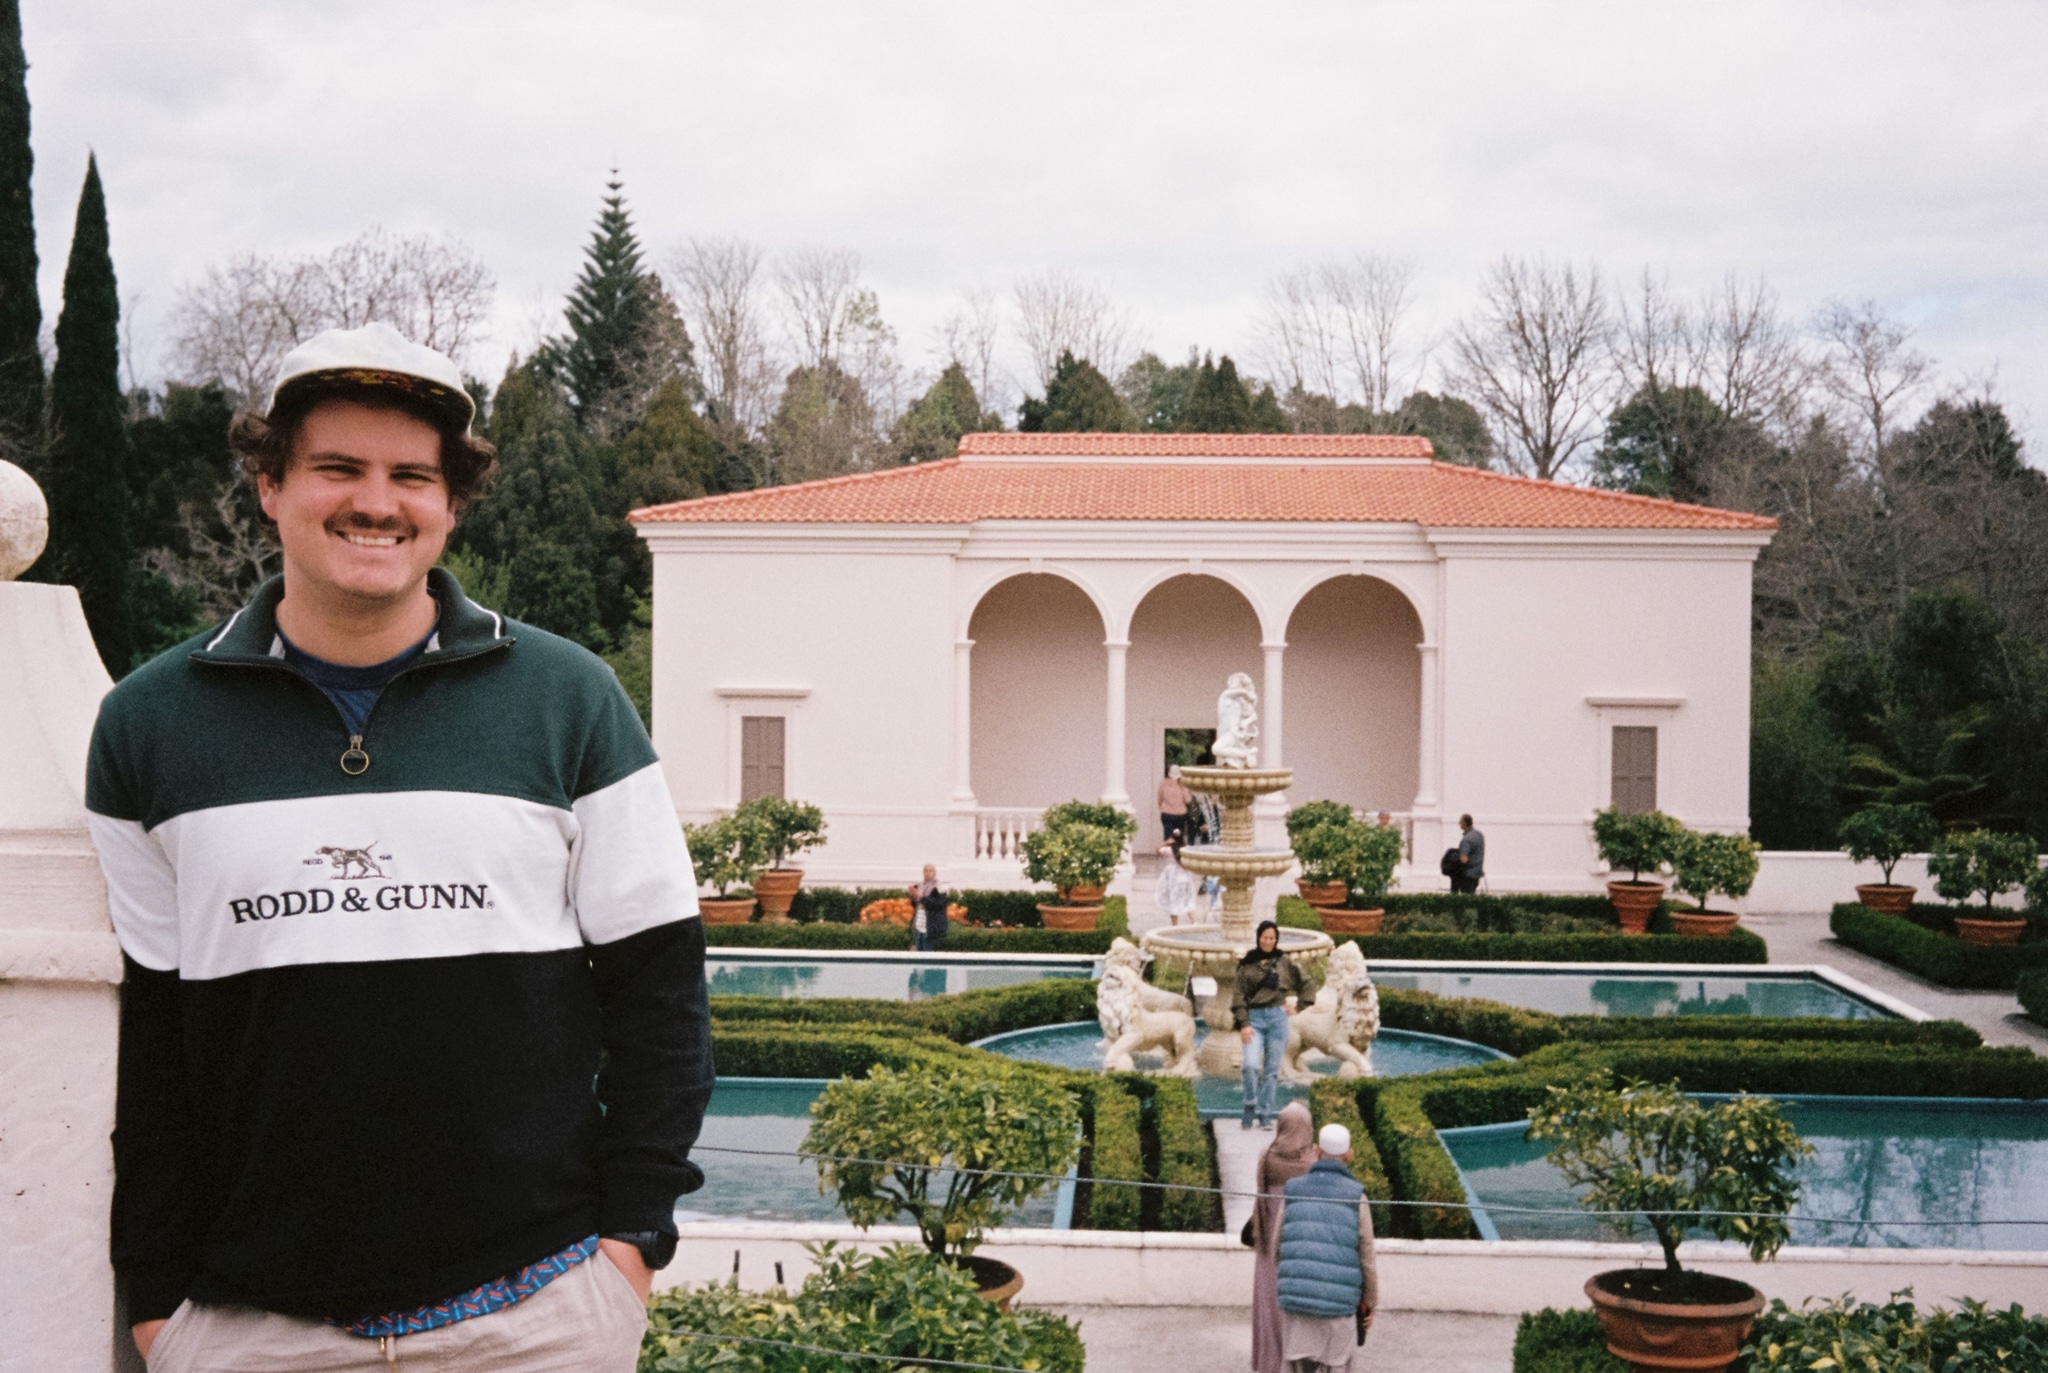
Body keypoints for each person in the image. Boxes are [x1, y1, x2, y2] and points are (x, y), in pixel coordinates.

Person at [85, 324, 713, 1371]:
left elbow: (660, 994)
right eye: (337, 467)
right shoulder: (149, 727)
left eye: (411, 475)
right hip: (251, 1334)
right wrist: (160, 1299)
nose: (376, 501)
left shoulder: (570, 701)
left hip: (538, 1319)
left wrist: (629, 1247)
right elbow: (151, 1042)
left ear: (451, 502)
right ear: (268, 486)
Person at [1275, 1124, 1379, 1373]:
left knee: (1295, 1366)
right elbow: (1367, 1257)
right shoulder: (1356, 1197)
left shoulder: (1292, 1190)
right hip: (1339, 1308)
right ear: (1349, 1154)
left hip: (1296, 1302)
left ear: (1315, 1150)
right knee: (1338, 1366)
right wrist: (1370, 1301)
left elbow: (1276, 1244)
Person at [1249, 1102, 1318, 1373]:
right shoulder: (1312, 1164)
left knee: (1269, 1303)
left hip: (1268, 1243)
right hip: (1298, 1244)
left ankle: (1269, 1363)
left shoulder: (1267, 1156)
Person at [1233, 920, 1308, 1129]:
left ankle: (1265, 1114)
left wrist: (1300, 1005)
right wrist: (1244, 1024)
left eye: (1272, 938)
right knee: (1249, 1066)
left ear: (1276, 940)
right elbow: (1238, 997)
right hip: (1254, 1019)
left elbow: (1307, 982)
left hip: (1277, 1019)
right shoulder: (1247, 963)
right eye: (1265, 937)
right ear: (1258, 938)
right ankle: (1250, 1104)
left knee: (1272, 1071)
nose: (1268, 941)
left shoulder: (1284, 961)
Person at [1155, 837, 1197, 927]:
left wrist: (1165, 843)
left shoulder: (1167, 850)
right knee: (1187, 900)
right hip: (1184, 877)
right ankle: (1194, 922)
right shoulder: (1185, 850)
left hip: (1172, 879)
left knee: (1173, 901)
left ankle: (1175, 925)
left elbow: (1157, 851)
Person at [910, 864, 948, 950]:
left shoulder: (939, 887)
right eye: (925, 871)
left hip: (930, 927)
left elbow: (939, 904)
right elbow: (916, 905)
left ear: (934, 873)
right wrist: (914, 897)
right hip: (919, 926)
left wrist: (922, 898)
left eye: (930, 871)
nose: (927, 873)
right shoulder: (920, 886)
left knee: (927, 954)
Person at [1451, 814, 1485, 894]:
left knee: (1466, 898)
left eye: (1460, 821)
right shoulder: (1479, 835)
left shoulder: (1467, 839)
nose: (1459, 823)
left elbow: (1464, 859)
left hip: (1467, 875)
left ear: (1464, 823)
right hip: (1477, 873)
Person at [1158, 764, 1192, 843]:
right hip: (1180, 815)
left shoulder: (1163, 783)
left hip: (1166, 813)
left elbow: (1160, 798)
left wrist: (1162, 807)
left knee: (1168, 836)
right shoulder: (1182, 784)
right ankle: (1177, 853)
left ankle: (1168, 853)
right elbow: (1188, 800)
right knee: (1179, 837)